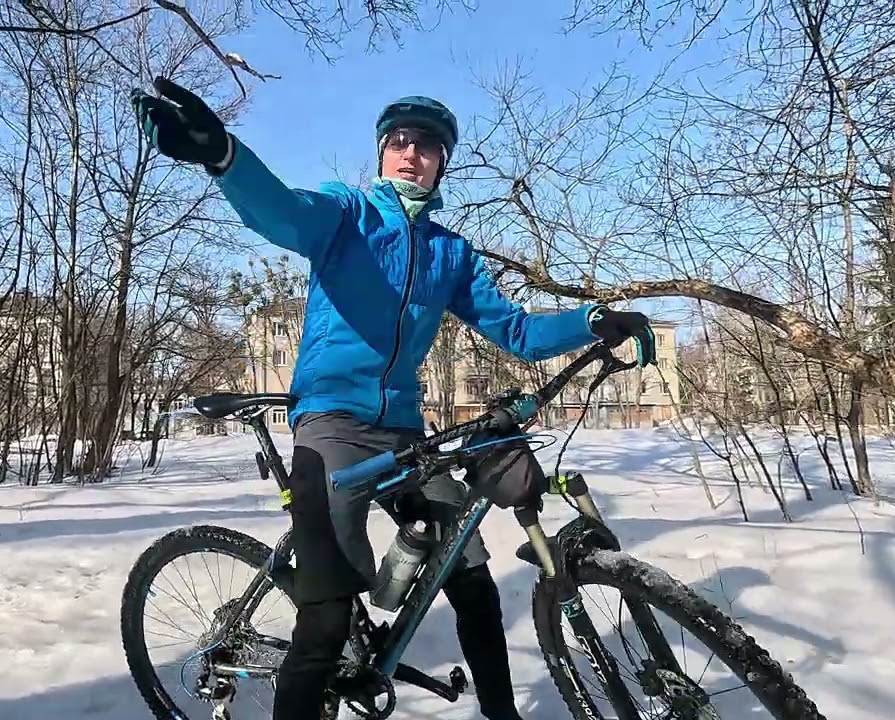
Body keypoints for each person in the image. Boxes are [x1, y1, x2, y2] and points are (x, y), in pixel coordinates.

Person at [131, 78, 656, 720]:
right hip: (331, 424)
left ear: (442, 165)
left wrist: (591, 320)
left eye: (427, 145)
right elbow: (285, 211)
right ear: (382, 154)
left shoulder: (450, 254)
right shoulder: (346, 213)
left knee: (472, 580)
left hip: (406, 434)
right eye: (399, 142)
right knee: (324, 618)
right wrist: (225, 158)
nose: (411, 153)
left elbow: (516, 330)